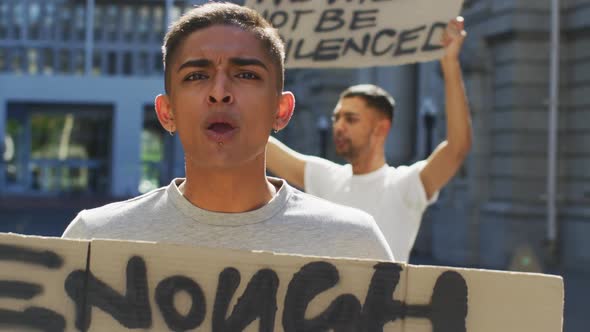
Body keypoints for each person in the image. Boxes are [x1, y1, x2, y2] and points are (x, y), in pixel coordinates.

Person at [62, 3, 393, 261]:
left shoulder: (354, 242)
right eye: (196, 76)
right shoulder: (93, 238)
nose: (219, 92)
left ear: (281, 111)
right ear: (167, 112)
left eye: (246, 75)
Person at [267, 17, 472, 262]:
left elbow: (458, 147)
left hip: (383, 301)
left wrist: (450, 63)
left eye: (351, 119)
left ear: (381, 128)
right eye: (337, 118)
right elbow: (262, 146)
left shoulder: (405, 185)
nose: (339, 126)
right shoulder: (325, 177)